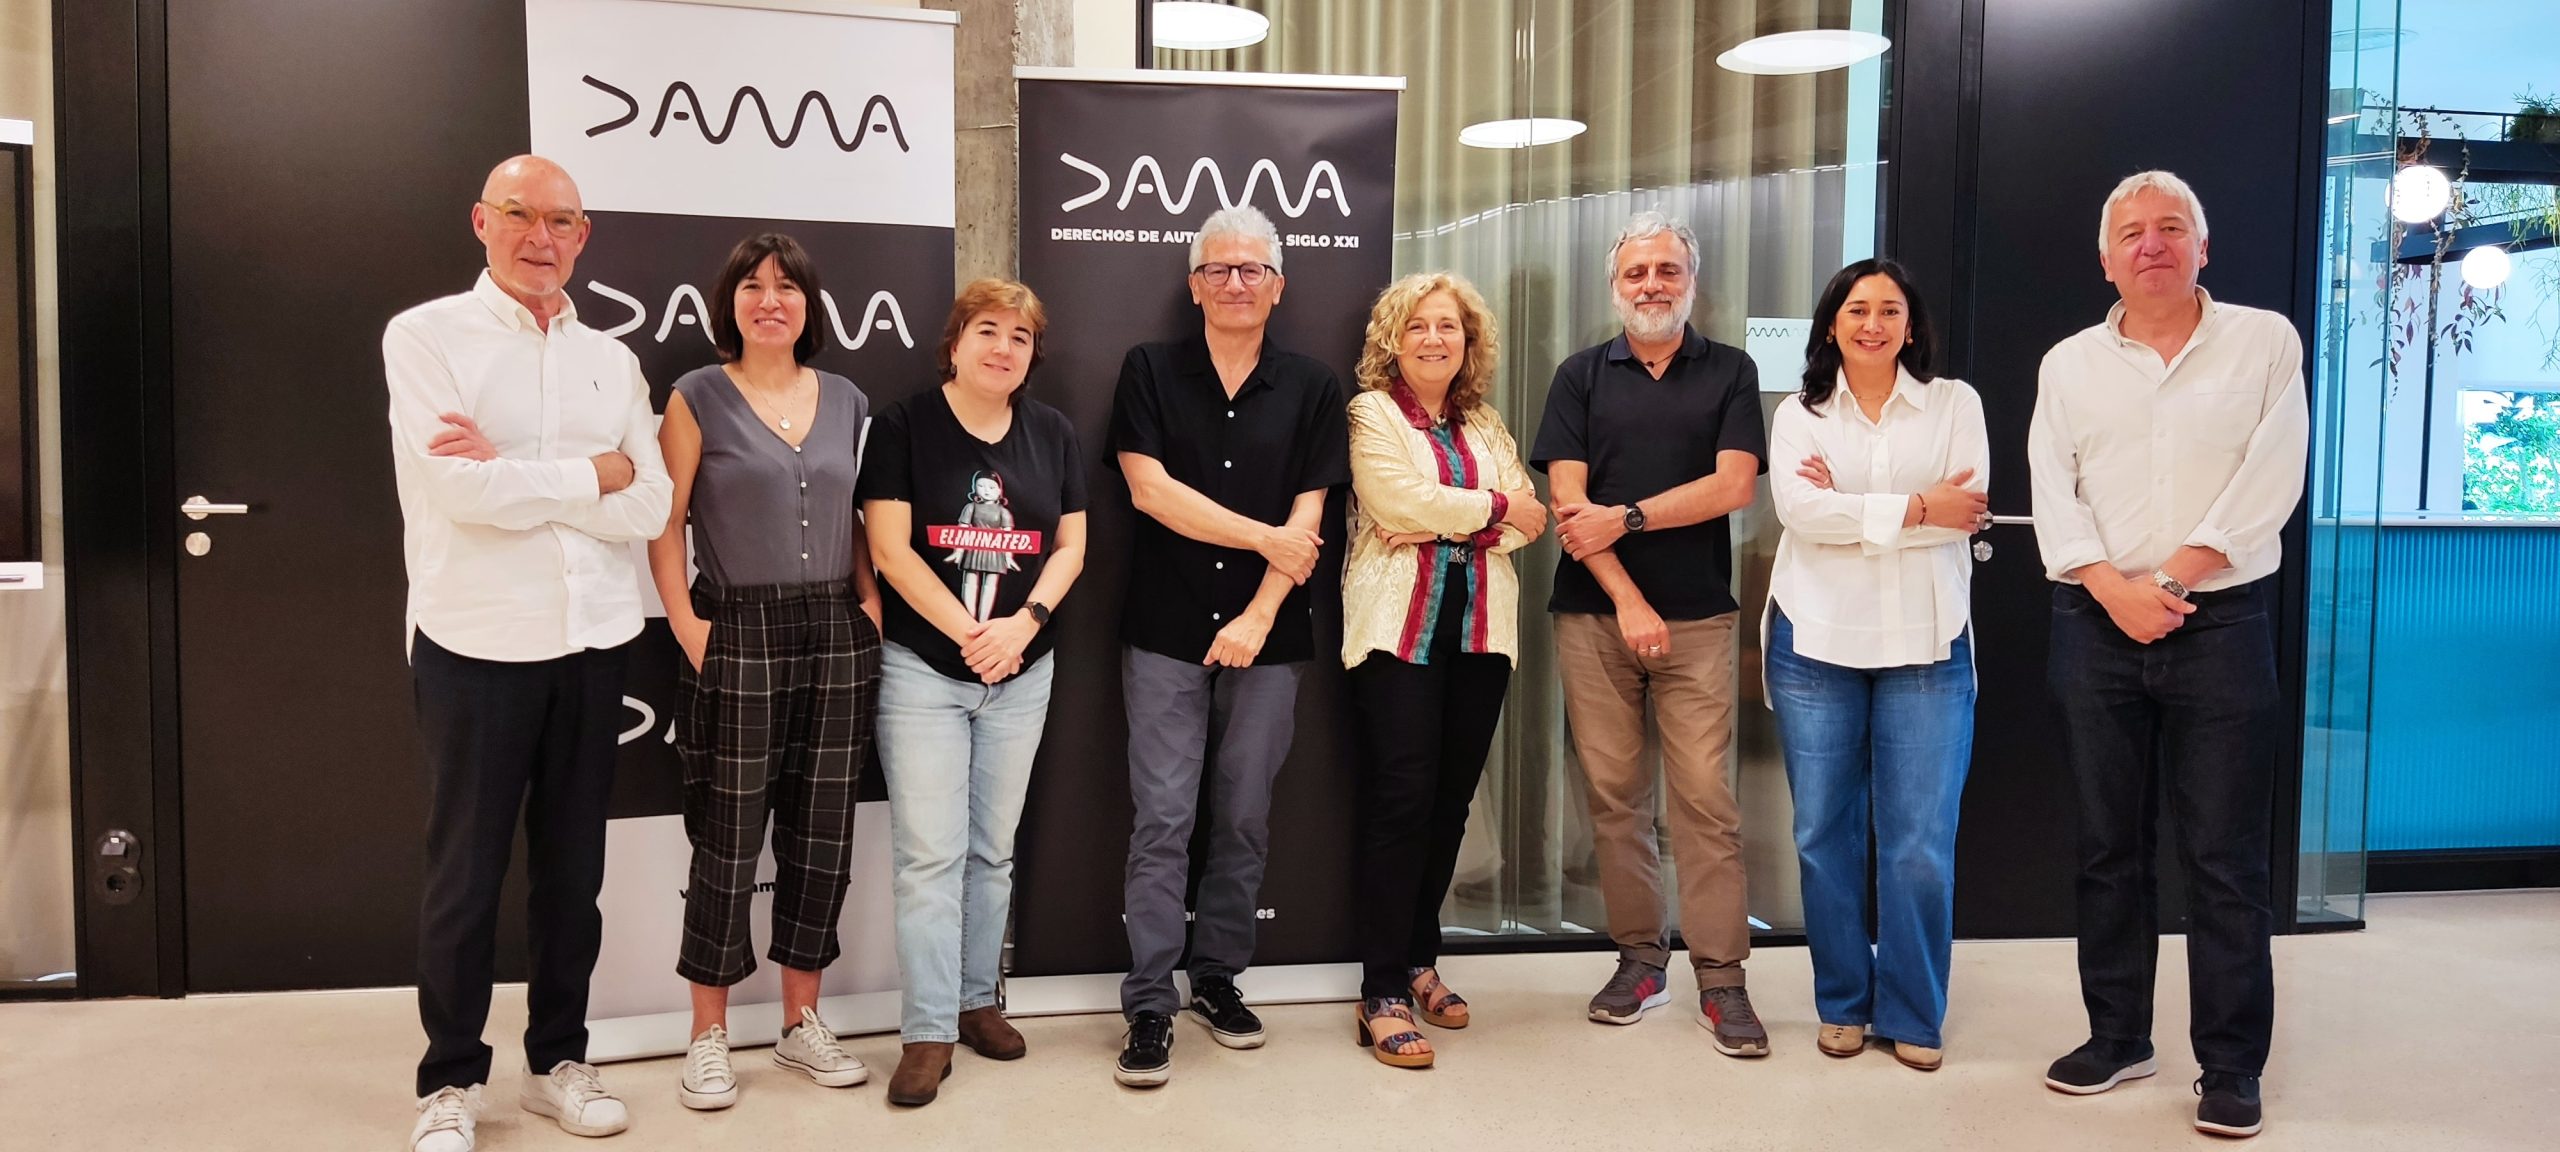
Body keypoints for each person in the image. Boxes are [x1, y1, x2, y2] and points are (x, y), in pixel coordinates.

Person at [386, 155, 671, 1152]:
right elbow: (459, 493)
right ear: (482, 221)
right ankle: (450, 1081)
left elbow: (651, 504)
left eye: (560, 221)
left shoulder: (612, 361)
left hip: (592, 642)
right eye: (519, 214)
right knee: (464, 876)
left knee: (570, 873)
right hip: (474, 642)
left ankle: (556, 1062)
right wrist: (595, 472)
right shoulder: (426, 337)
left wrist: (523, 474)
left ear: (583, 236)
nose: (539, 237)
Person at [2029, 170, 2306, 1140]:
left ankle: (2230, 1065)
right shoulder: (2068, 364)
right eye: (2132, 232)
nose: (2151, 244)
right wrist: (2112, 588)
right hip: (2094, 621)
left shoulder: (2264, 342)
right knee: (2108, 847)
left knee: (2223, 856)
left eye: (2171, 227)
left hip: (2220, 623)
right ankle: (2117, 1037)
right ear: (2105, 259)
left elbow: (2272, 477)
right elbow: (2053, 488)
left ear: (2202, 247)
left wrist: (2174, 582)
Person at [1109, 205, 1350, 1087]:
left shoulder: (1313, 386)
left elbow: (1310, 520)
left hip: (1270, 635)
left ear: (1278, 286)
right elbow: (1149, 491)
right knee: (1163, 820)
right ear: (1194, 285)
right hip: (1164, 631)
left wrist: (1256, 615)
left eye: (1252, 270)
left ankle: (1216, 978)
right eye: (1218, 269)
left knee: (1243, 817)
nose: (1235, 283)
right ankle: (1148, 1002)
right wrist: (1262, 539)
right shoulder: (1149, 370)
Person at [648, 233, 881, 1111]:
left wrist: (869, 605)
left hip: (835, 627)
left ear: (809, 306)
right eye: (753, 286)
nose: (770, 300)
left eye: (787, 287)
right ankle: (708, 1035)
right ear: (731, 303)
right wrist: (687, 625)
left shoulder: (847, 399)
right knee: (728, 833)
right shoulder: (695, 395)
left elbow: (857, 517)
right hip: (737, 626)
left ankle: (799, 1024)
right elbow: (665, 523)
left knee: (821, 833)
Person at [1528, 209, 1770, 1055]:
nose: (1652, 285)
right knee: (1615, 797)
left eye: (1668, 270)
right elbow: (1568, 504)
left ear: (1692, 281)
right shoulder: (1580, 377)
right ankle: (1639, 959)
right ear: (1615, 286)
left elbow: (1733, 487)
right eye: (1636, 272)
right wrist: (1629, 599)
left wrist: (1627, 516)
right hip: (1595, 617)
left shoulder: (1731, 371)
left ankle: (1722, 979)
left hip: (1699, 618)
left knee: (1704, 799)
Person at [861, 278, 1088, 1107]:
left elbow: (1071, 546)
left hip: (1022, 671)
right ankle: (926, 1030)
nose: (1003, 347)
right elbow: (889, 549)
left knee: (993, 851)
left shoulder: (1052, 432)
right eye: (987, 330)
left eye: (1020, 337)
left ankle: (974, 1002)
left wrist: (1024, 624)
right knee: (931, 856)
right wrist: (971, 633)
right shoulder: (903, 425)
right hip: (925, 670)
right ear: (954, 343)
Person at [1764, 258, 1989, 1073]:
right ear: (1832, 324)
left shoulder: (1954, 404)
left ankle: (1913, 1010)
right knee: (1822, 834)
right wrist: (1919, 506)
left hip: (1927, 639)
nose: (1872, 323)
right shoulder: (1800, 413)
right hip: (1816, 642)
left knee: (1919, 843)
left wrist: (1854, 508)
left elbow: (1968, 512)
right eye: (1857, 309)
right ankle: (1843, 1003)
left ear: (1910, 325)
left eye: (1890, 310)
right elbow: (1801, 513)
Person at [1341, 272, 1546, 1070]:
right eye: (1418, 326)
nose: (1434, 338)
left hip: (1479, 634)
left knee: (1450, 805)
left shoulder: (1484, 422)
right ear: (1394, 339)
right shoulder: (1372, 414)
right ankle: (1381, 988)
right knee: (1402, 801)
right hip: (1400, 635)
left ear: (1469, 343)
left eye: (1449, 327)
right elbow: (1395, 501)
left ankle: (1421, 960)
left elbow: (1532, 516)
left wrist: (1446, 520)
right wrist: (1487, 512)